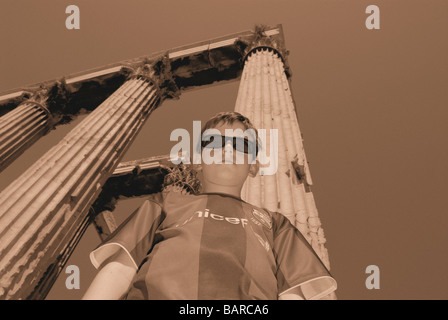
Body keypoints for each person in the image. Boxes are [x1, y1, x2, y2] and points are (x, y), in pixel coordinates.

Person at [82, 111, 337, 300]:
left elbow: (293, 293)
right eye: (214, 142)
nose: (227, 148)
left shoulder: (275, 223)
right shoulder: (165, 203)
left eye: (240, 144)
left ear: (254, 166)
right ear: (199, 160)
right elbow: (119, 269)